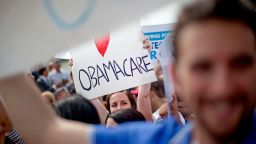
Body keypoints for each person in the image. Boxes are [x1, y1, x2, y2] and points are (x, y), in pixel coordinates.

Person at [0, 0, 256, 143]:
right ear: (177, 77)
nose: (222, 85)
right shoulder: (159, 139)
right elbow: (44, 131)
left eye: (241, 64)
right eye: (203, 67)